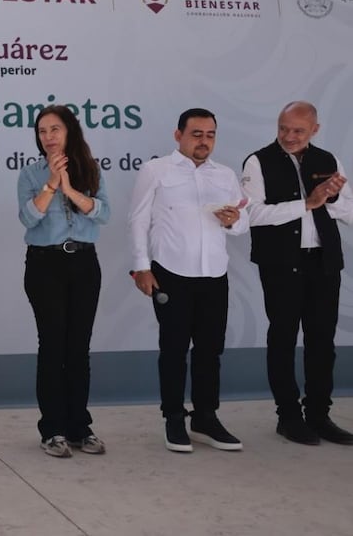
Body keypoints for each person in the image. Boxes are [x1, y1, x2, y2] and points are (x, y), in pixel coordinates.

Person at [128, 108, 248, 454]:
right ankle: (174, 418)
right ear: (177, 135)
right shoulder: (156, 170)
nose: (204, 141)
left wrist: (232, 221)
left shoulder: (224, 175)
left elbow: (242, 223)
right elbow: (137, 220)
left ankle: (206, 418)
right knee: (174, 349)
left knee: (211, 351)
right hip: (170, 273)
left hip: (214, 274)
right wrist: (141, 267)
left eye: (210, 134)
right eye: (196, 134)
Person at [241, 101, 353, 445]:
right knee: (283, 339)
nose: (289, 136)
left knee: (322, 342)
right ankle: (288, 417)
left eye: (298, 131)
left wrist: (329, 200)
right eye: (283, 128)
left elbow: (348, 209)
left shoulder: (329, 160)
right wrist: (306, 203)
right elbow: (253, 215)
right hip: (281, 265)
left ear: (314, 131)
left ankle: (319, 416)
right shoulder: (258, 161)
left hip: (324, 263)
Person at [17, 105, 110, 458]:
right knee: (52, 346)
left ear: (70, 131)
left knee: (78, 348)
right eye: (42, 131)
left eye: (55, 129)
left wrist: (70, 189)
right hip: (45, 265)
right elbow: (28, 217)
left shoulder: (91, 169)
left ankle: (79, 428)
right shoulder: (30, 173)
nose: (48, 137)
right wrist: (52, 184)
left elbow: (104, 213)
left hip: (84, 263)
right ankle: (52, 429)